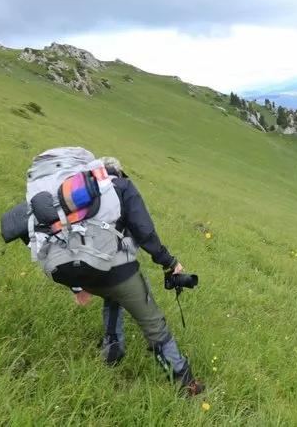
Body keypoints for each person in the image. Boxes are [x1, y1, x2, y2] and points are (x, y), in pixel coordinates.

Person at [21, 152, 204, 396]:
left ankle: (112, 350)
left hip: (83, 273)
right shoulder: (123, 187)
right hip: (119, 273)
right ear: (118, 172)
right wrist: (169, 262)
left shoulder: (75, 195)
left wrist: (77, 286)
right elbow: (144, 230)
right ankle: (184, 382)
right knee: (153, 324)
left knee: (112, 296)